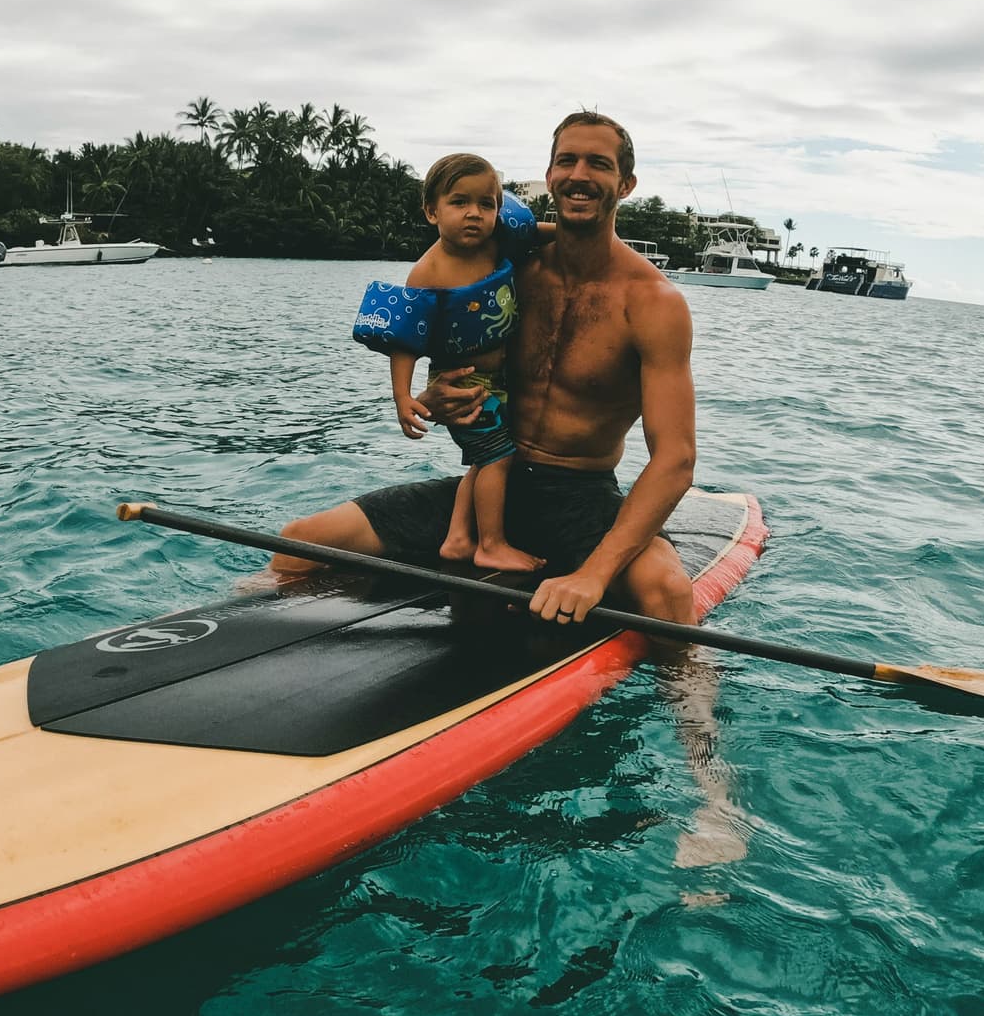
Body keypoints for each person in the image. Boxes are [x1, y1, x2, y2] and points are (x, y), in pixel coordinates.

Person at [278, 110, 743, 866]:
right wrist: (442, 393)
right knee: (300, 545)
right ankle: (221, 636)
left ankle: (713, 795)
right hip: (487, 481)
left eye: (598, 164)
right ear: (549, 173)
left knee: (664, 597)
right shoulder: (506, 258)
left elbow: (675, 461)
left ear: (626, 183)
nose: (580, 175)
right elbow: (445, 352)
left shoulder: (652, 301)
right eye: (566, 160)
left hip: (577, 498)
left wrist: (595, 575)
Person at [352, 152, 544, 572]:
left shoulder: (497, 245)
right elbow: (404, 343)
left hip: (497, 378)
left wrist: (568, 234)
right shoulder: (429, 271)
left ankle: (457, 539)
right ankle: (490, 543)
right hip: (461, 384)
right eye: (459, 203)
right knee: (497, 456)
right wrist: (403, 398)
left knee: (484, 457)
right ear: (431, 211)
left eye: (487, 204)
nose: (474, 214)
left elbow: (539, 234)